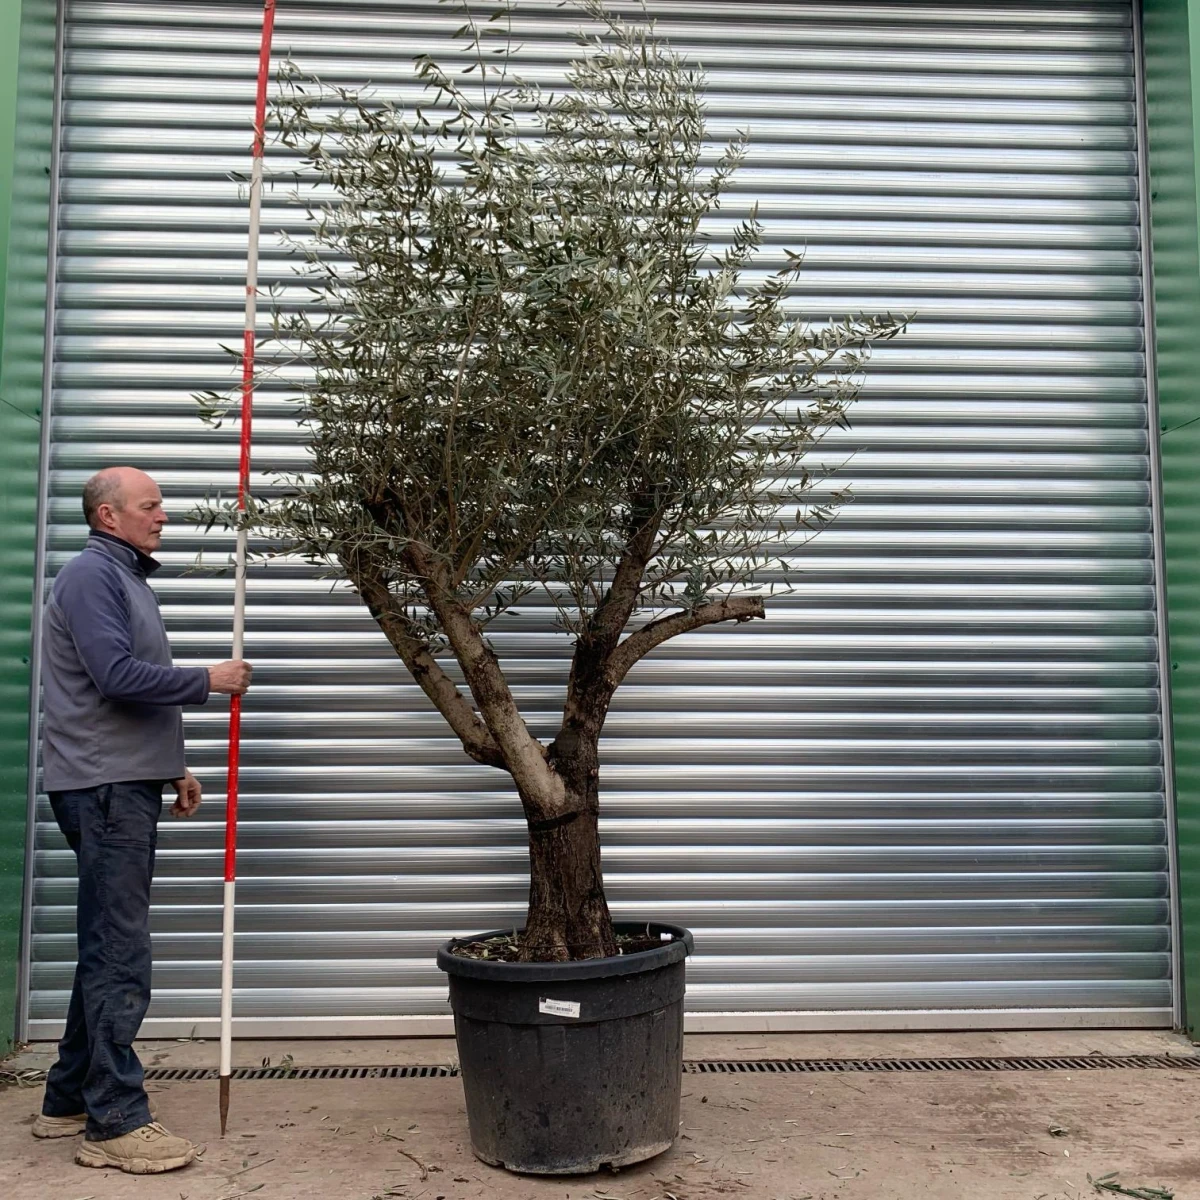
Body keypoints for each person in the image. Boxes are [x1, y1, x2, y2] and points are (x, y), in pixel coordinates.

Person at [32, 466, 253, 1174]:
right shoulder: (93, 578)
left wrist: (170, 768)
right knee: (120, 953)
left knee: (105, 944)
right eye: (150, 505)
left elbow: (116, 699)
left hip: (121, 781)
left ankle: (68, 1099)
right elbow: (115, 676)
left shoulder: (121, 576)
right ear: (107, 516)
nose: (163, 514)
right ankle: (116, 1121)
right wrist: (206, 681)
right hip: (103, 790)